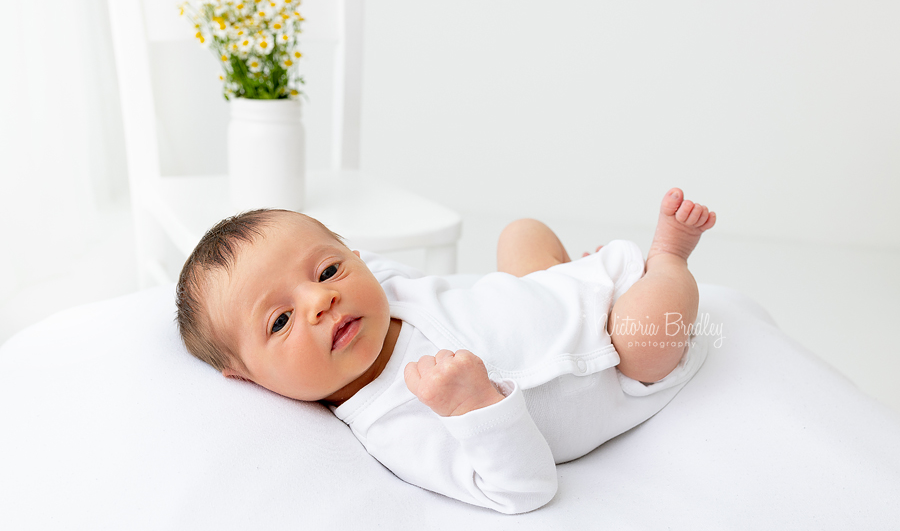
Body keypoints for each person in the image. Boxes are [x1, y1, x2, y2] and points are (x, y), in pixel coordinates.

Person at [176, 188, 716, 514]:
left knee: (519, 231)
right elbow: (523, 490)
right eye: (281, 319)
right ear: (247, 377)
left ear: (355, 256)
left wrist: (569, 282)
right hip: (610, 360)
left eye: (328, 270)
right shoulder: (392, 420)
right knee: (647, 339)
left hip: (548, 291)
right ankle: (669, 260)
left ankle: (576, 274)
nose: (322, 299)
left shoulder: (382, 291)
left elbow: (347, 260)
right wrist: (477, 406)